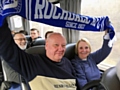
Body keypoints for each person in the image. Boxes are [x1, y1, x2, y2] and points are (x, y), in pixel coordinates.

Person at [0, 20, 76, 90]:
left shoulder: (67, 63)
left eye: (63, 46)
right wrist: (2, 18)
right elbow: (8, 48)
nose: (60, 49)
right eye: (56, 45)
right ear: (46, 46)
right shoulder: (33, 63)